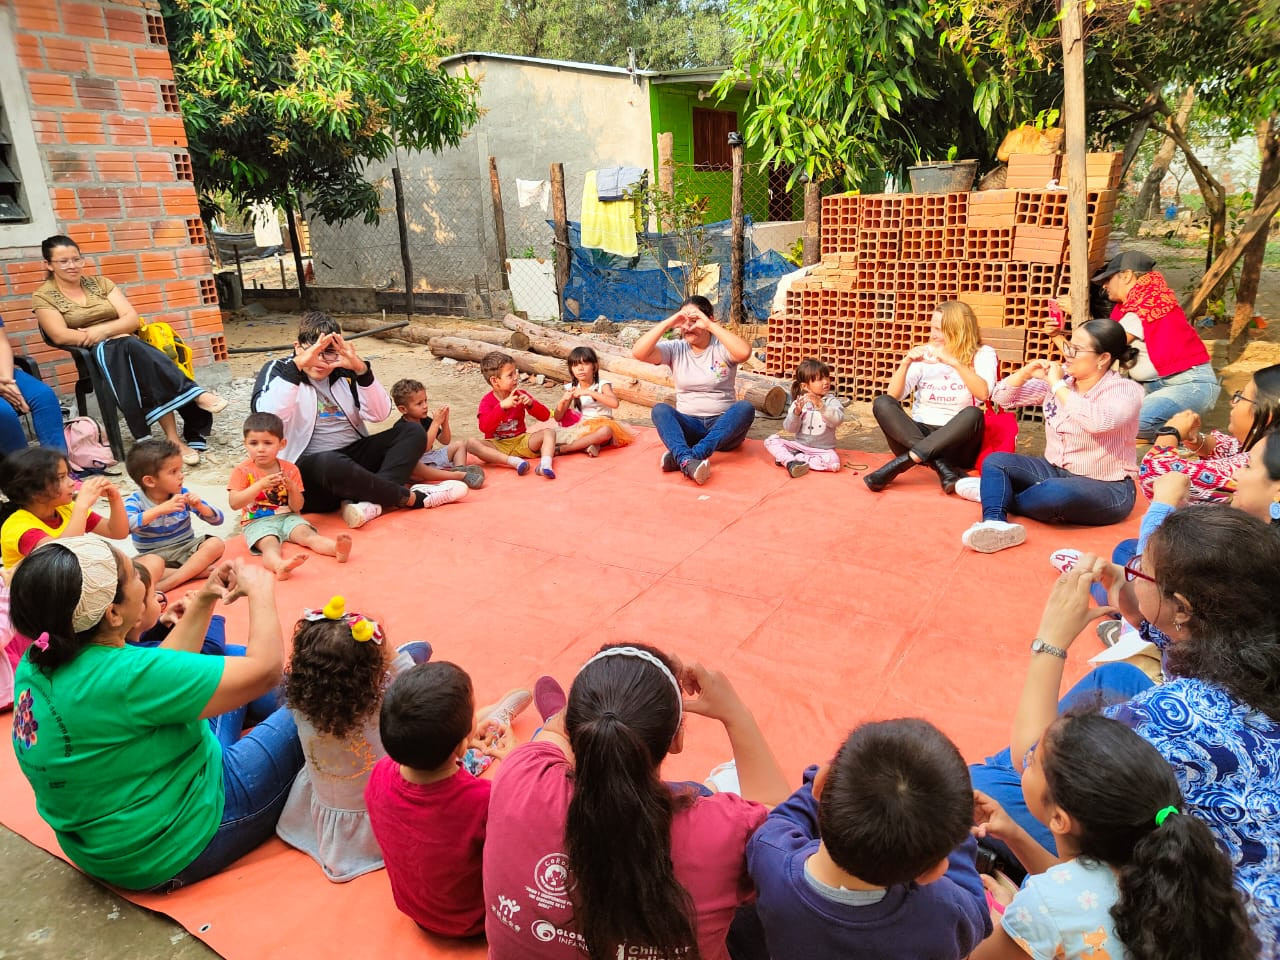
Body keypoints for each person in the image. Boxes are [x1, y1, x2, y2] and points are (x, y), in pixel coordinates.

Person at [969, 506, 1280, 952]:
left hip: (1206, 915)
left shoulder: (1173, 714)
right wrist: (1137, 611)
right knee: (1118, 680)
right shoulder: (1255, 647)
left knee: (987, 780)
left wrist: (1051, 639)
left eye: (1142, 573)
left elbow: (1034, 758)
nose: (1130, 575)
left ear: (1185, 610)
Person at [8, 540, 303, 891]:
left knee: (234, 675)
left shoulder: (39, 658)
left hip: (109, 844)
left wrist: (206, 598)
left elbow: (160, 677)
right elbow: (265, 670)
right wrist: (261, 590)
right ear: (113, 615)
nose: (143, 577)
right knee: (320, 695)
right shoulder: (125, 676)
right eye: (133, 574)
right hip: (178, 839)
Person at [483, 643, 790, 960]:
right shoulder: (724, 834)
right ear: (676, 740)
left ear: (578, 728)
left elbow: (553, 733)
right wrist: (735, 713)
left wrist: (609, 682)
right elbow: (785, 837)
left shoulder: (519, 774)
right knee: (709, 808)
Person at [971, 713, 1257, 960]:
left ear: (1059, 819)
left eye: (1034, 762)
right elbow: (1078, 891)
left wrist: (1005, 918)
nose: (1027, 757)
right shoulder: (1163, 870)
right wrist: (1015, 835)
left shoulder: (1040, 906)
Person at [747, 718, 989, 960]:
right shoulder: (942, 913)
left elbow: (785, 818)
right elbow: (977, 912)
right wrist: (962, 834)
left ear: (821, 784)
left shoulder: (769, 853)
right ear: (932, 873)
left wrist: (829, 781)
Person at [366, 664, 565, 936]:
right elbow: (532, 828)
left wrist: (463, 742)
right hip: (476, 919)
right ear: (460, 746)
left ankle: (496, 727)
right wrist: (517, 762)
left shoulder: (379, 773)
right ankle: (554, 728)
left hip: (419, 912)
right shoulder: (485, 798)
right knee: (542, 758)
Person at [275, 596, 443, 881]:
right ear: (372, 676)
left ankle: (410, 654)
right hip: (376, 814)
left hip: (320, 810)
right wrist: (390, 655)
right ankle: (409, 656)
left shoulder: (299, 703)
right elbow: (424, 696)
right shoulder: (381, 704)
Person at [32, 235, 226, 464]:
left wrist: (102, 330)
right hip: (94, 356)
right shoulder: (43, 296)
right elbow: (59, 335)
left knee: (132, 349)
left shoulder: (101, 284)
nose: (72, 266)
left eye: (77, 259)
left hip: (128, 348)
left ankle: (173, 439)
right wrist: (108, 333)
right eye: (63, 261)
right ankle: (195, 395)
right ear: (48, 264)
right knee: (130, 345)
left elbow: (132, 319)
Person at [253, 311, 455, 529]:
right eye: (314, 352)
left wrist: (362, 370)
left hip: (355, 459)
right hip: (310, 475)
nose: (320, 362)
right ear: (297, 347)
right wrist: (296, 367)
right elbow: (267, 418)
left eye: (328, 354)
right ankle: (408, 498)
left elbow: (379, 414)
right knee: (329, 461)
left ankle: (373, 502)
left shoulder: (344, 372)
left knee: (412, 431)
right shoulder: (280, 370)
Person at [959, 319, 1143, 554]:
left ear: (1103, 358)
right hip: (1054, 469)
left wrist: (1056, 385)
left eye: (1075, 349)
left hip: (1107, 487)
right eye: (1068, 346)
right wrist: (1024, 374)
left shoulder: (1125, 391)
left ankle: (996, 493)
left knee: (1056, 492)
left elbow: (1099, 422)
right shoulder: (1064, 381)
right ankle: (994, 521)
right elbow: (1001, 398)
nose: (1067, 354)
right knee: (996, 462)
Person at [1084, 250, 1220, 440]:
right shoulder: (1145, 301)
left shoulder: (1145, 306)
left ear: (1127, 275)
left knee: (1130, 425)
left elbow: (1103, 346)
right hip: (1156, 385)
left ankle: (1190, 438)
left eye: (1109, 278)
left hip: (1188, 384)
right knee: (1105, 415)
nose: (1105, 285)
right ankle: (1178, 432)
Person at [865, 302, 996, 493]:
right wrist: (906, 363)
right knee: (882, 403)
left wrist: (954, 362)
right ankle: (942, 467)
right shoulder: (925, 353)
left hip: (957, 442)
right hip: (915, 436)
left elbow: (984, 393)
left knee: (973, 414)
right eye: (931, 328)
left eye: (939, 329)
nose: (932, 334)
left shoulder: (983, 354)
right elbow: (894, 395)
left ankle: (900, 464)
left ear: (958, 330)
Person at [632, 296, 755, 486]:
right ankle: (688, 460)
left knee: (745, 408)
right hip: (690, 426)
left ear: (709, 320)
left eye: (694, 321)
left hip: (723, 429)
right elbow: (638, 352)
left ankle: (686, 458)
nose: (688, 327)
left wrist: (709, 325)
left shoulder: (721, 348)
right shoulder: (676, 349)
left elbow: (744, 352)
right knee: (660, 410)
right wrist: (670, 322)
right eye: (684, 322)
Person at [226, 412, 352, 578]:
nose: (261, 449)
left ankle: (336, 549)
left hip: (288, 517)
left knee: (308, 536)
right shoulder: (242, 471)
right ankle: (279, 566)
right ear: (245, 444)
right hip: (257, 521)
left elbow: (298, 506)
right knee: (270, 546)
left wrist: (292, 488)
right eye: (254, 443)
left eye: (268, 443)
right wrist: (259, 486)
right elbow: (234, 503)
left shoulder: (290, 469)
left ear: (282, 444)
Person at [1138, 362, 1280, 503]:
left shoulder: (1258, 463)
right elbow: (1229, 447)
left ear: (1267, 417)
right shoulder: (1271, 451)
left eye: (1241, 397)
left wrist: (1170, 432)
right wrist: (1198, 441)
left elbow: (1154, 472)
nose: (1233, 402)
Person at [0, 447, 128, 572]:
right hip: (34, 591)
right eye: (61, 478)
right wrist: (82, 506)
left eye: (68, 475)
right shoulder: (18, 527)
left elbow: (116, 532)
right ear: (35, 492)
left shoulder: (66, 509)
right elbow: (61, 557)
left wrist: (114, 498)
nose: (72, 482)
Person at [123, 438, 225, 592]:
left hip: (187, 549)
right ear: (150, 481)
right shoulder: (135, 501)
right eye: (173, 472)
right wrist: (160, 509)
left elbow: (218, 519)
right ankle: (195, 572)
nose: (181, 476)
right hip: (154, 557)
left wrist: (200, 507)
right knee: (133, 570)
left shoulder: (182, 494)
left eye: (180, 470)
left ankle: (170, 582)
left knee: (215, 543)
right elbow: (125, 526)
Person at [466, 351, 558, 477]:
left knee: (550, 432)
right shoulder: (487, 401)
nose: (516, 377)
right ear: (494, 381)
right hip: (497, 446)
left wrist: (531, 404)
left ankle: (545, 465)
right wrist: (502, 407)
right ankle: (513, 462)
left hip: (521, 441)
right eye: (510, 375)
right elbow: (484, 427)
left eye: (516, 372)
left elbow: (545, 416)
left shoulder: (520, 394)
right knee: (471, 444)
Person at [390, 378, 485, 489]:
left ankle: (459, 468)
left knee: (460, 445)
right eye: (419, 403)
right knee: (415, 469)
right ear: (403, 409)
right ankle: (457, 476)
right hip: (417, 463)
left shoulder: (424, 420)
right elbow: (422, 449)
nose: (425, 406)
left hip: (430, 457)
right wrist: (435, 423)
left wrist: (444, 423)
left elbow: (445, 440)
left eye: (426, 401)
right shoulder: (401, 427)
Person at [764, 358, 845, 478]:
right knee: (771, 440)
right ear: (805, 386)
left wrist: (821, 406)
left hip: (822, 450)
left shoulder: (832, 402)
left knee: (834, 463)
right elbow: (790, 429)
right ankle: (791, 462)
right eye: (819, 379)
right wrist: (796, 413)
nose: (826, 382)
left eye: (827, 377)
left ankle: (793, 459)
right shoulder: (799, 402)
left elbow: (837, 421)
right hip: (799, 446)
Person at [551, 346, 634, 458]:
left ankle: (565, 449)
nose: (580, 368)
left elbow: (615, 404)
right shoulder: (572, 387)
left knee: (606, 432)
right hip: (582, 425)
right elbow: (558, 417)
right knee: (552, 435)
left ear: (594, 366)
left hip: (603, 424)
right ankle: (591, 445)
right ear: (571, 369)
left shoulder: (602, 385)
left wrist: (589, 392)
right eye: (575, 365)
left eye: (585, 364)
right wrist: (563, 401)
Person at [0, 319, 65, 455]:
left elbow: (1, 343)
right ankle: (22, 472)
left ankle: (58, 467)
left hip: (3, 374)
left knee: (44, 396)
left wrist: (8, 381)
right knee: (4, 413)